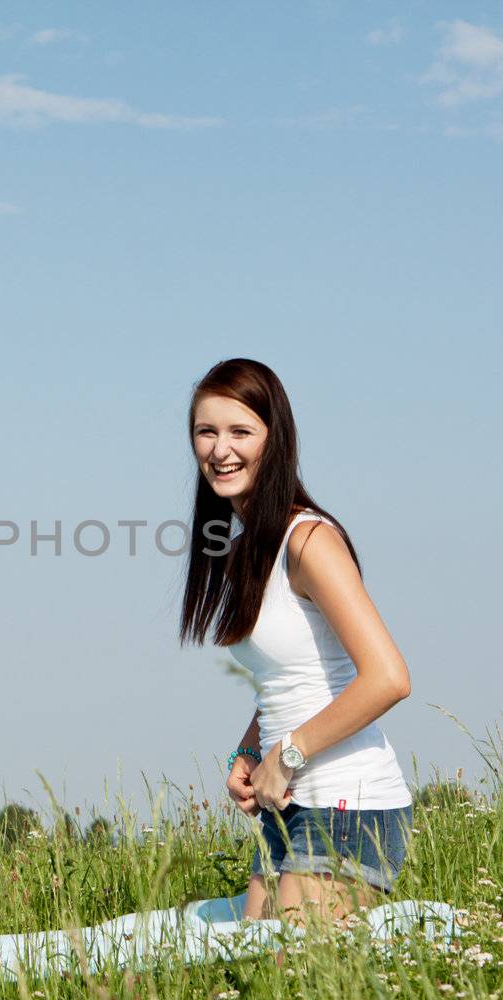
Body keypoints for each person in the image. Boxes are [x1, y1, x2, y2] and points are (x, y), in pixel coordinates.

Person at [179, 358, 413, 924]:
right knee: (253, 975)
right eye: (206, 432)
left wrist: (286, 756)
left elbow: (388, 678)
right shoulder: (241, 549)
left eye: (241, 432)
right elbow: (291, 679)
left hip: (348, 804)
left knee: (290, 976)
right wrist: (249, 752)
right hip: (288, 805)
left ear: (273, 439)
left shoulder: (308, 540)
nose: (220, 449)